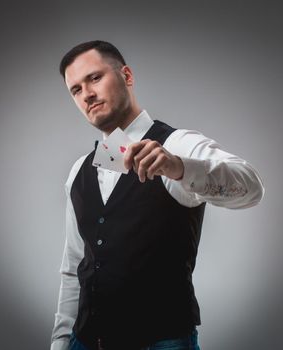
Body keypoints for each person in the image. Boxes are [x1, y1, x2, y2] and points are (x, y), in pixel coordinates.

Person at [50, 40, 264, 350]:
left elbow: (251, 188)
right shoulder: (78, 171)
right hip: (84, 342)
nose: (87, 94)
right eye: (76, 89)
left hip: (161, 342)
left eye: (95, 78)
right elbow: (74, 265)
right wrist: (60, 341)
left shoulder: (177, 144)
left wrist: (179, 168)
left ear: (126, 75)